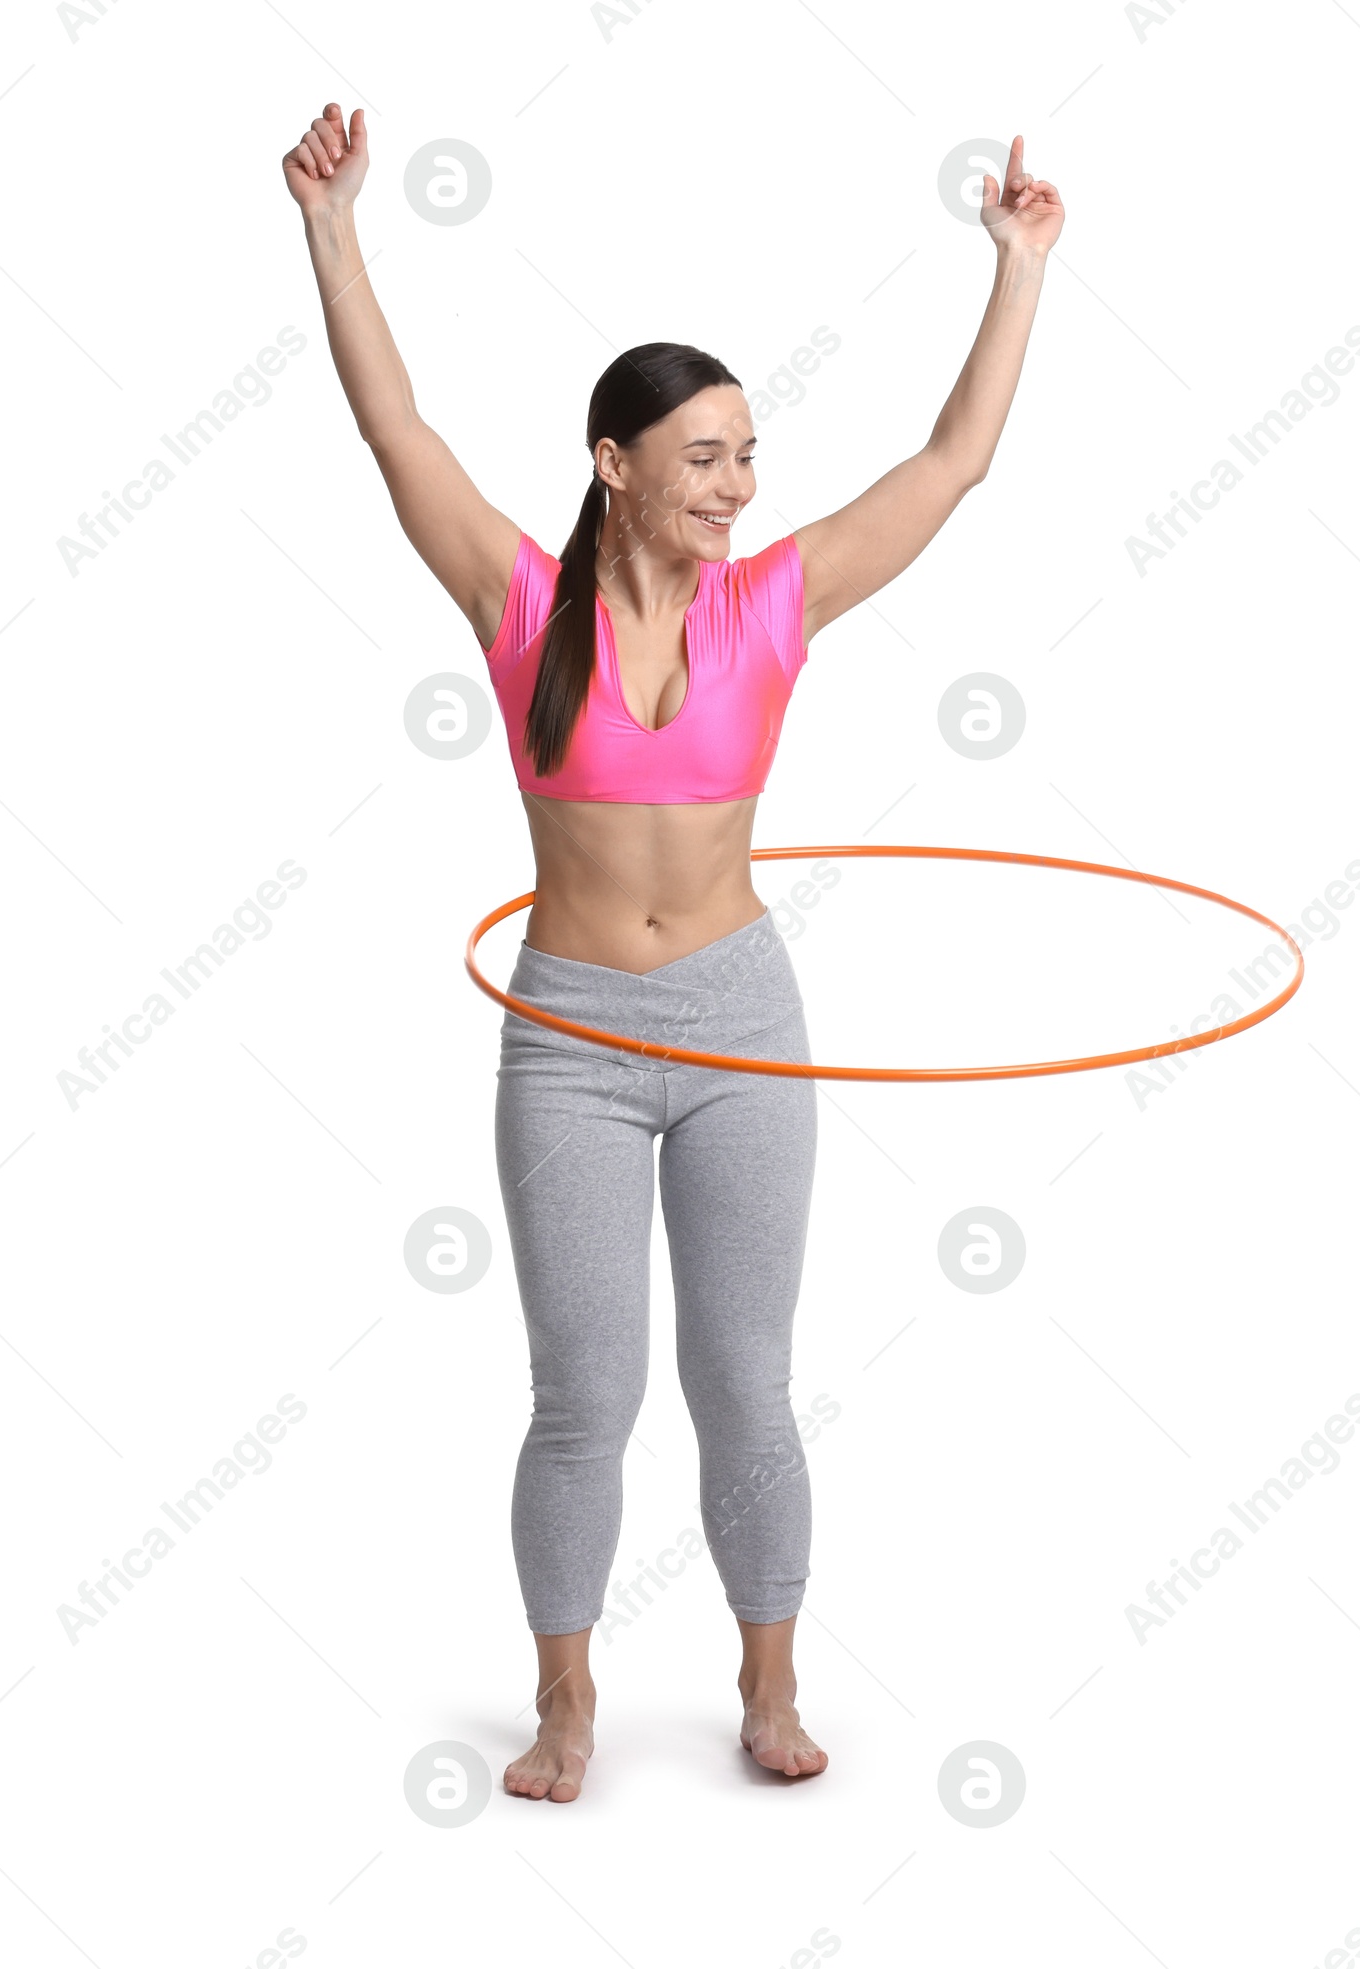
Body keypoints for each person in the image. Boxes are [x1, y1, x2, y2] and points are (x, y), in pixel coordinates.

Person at [283, 104, 1063, 1803]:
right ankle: (564, 1704)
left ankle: (765, 1688)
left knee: (745, 1385)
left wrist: (1017, 269)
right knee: (585, 1393)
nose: (739, 484)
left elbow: (951, 468)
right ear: (615, 460)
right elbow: (393, 426)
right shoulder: (514, 601)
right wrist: (337, 228)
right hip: (564, 1028)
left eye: (748, 454)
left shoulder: (770, 605)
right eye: (704, 454)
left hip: (738, 1017)